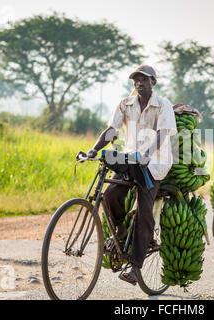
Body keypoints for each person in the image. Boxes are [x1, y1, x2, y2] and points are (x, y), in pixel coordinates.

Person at [77, 65, 177, 285]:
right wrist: (93, 149)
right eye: (136, 79)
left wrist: (148, 154)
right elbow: (112, 130)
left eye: (144, 79)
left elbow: (163, 134)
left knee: (143, 210)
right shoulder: (125, 103)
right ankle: (120, 230)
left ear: (153, 82)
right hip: (132, 159)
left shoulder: (163, 105)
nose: (139, 82)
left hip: (155, 163)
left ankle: (135, 265)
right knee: (110, 194)